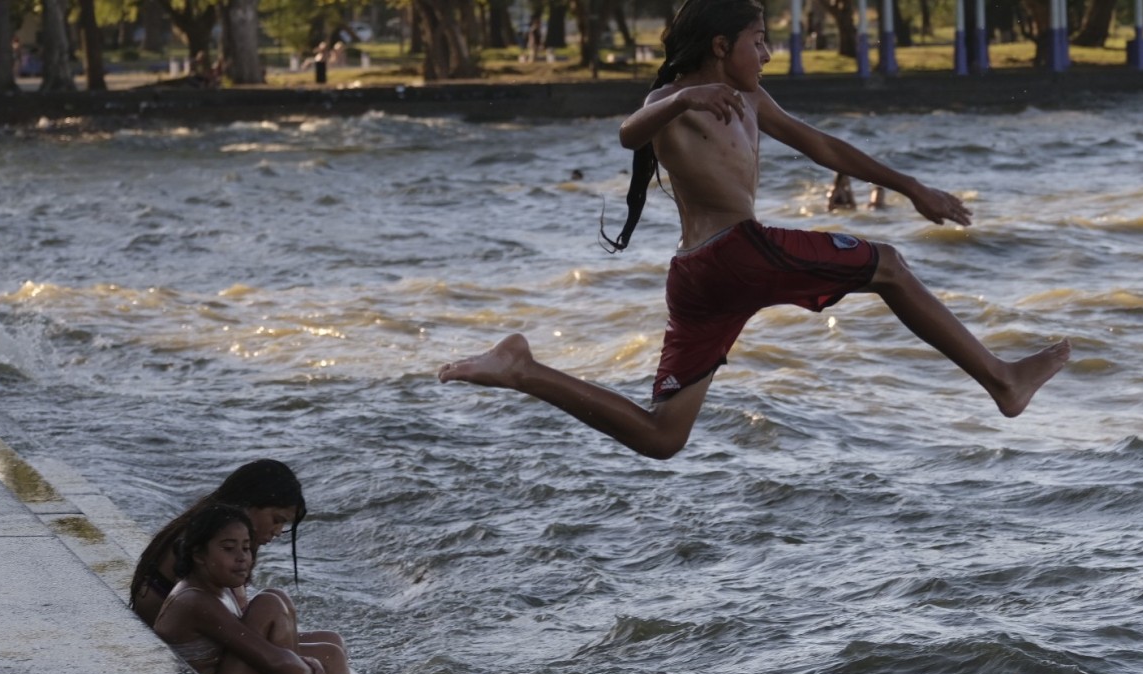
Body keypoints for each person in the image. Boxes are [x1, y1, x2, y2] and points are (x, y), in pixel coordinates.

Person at [438, 0, 1070, 461]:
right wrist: (680, 101)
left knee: (663, 437)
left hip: (698, 278)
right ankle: (1002, 381)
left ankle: (524, 370)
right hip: (735, 253)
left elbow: (820, 143)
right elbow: (628, 131)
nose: (766, 54)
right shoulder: (678, 101)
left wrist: (910, 187)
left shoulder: (750, 100)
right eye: (759, 41)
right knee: (889, 266)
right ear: (720, 44)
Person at [130, 459, 362, 674]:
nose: (278, 532)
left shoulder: (208, 536)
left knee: (330, 640)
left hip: (210, 660)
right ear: (249, 505)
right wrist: (305, 669)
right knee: (323, 652)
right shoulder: (198, 564)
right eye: (276, 519)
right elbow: (259, 649)